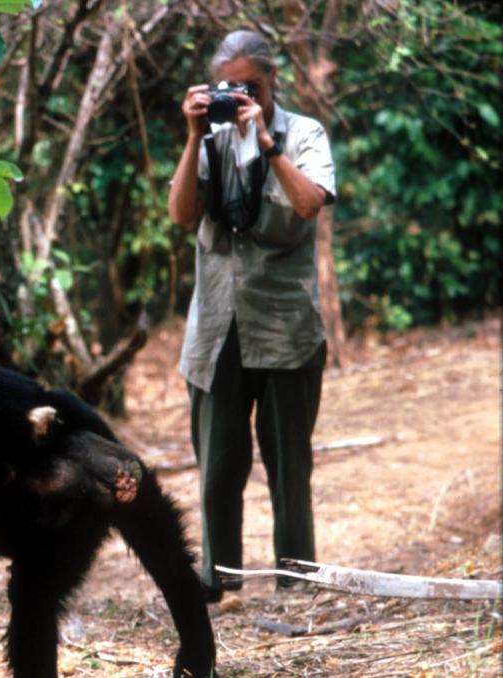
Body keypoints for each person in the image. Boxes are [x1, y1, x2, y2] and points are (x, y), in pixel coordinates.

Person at [167, 29, 336, 602]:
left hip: (286, 326)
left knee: (290, 466)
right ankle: (221, 584)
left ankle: (296, 579)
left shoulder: (303, 133)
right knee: (217, 468)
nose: (241, 97)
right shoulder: (209, 138)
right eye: (230, 87)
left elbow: (310, 203)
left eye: (252, 86)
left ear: (272, 82)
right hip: (218, 326)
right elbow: (182, 215)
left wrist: (267, 143)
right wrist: (194, 138)